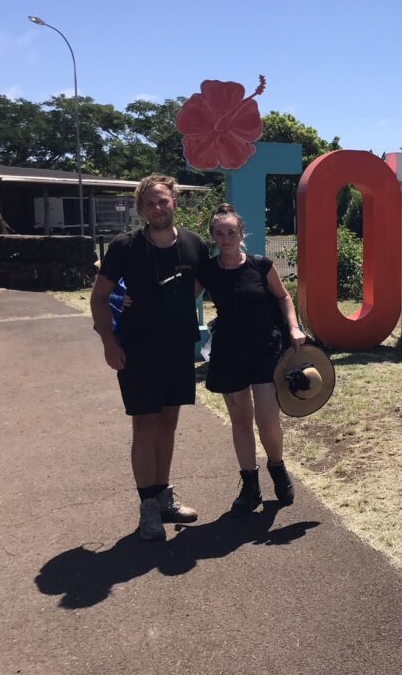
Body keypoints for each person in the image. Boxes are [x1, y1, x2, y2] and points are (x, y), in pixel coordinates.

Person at [89, 174, 208, 541]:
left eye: (164, 201)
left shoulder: (193, 244)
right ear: (142, 209)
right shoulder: (125, 247)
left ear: (175, 201)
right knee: (144, 425)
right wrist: (109, 342)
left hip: (176, 348)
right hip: (137, 350)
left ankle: (163, 494)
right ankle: (148, 508)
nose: (158, 208)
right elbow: (99, 296)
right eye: (150, 203)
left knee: (169, 420)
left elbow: (199, 284)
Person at [197, 202, 306, 515]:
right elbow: (178, 299)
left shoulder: (260, 264)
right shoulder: (209, 272)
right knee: (240, 421)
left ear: (241, 233)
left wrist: (294, 327)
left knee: (268, 419)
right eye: (219, 233)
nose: (226, 237)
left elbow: (284, 296)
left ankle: (278, 468)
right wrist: (133, 297)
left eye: (231, 231)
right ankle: (250, 485)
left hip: (264, 349)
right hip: (229, 353)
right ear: (213, 237)